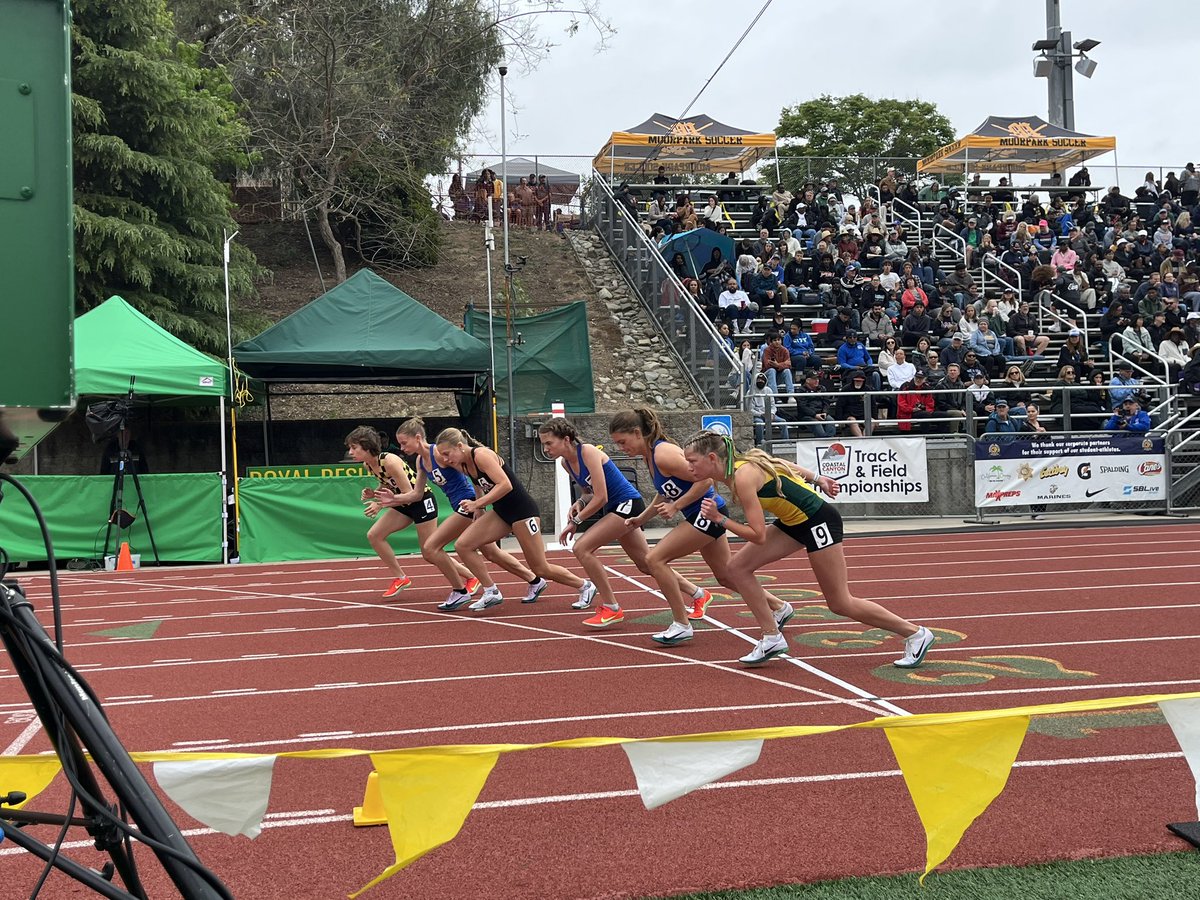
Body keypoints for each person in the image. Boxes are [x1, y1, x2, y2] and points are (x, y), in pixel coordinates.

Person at [684, 431, 935, 667]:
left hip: (819, 521)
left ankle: (915, 633)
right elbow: (780, 463)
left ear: (713, 458)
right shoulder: (745, 465)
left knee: (840, 603)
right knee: (737, 568)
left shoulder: (743, 476)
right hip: (794, 522)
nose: (689, 467)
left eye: (692, 461)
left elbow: (758, 536)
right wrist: (818, 478)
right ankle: (772, 636)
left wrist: (721, 520)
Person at [608, 408, 792, 646]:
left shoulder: (663, 454)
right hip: (705, 513)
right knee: (725, 576)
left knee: (654, 560)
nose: (621, 448)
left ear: (637, 432)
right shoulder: (650, 455)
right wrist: (642, 518)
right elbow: (665, 492)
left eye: (623, 442)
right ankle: (779, 607)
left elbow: (705, 478)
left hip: (706, 513)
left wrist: (677, 506)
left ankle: (681, 624)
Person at [539, 417, 710, 629]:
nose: (545, 449)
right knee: (646, 563)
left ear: (566, 439)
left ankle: (611, 607)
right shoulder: (566, 463)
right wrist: (580, 502)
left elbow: (601, 496)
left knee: (582, 548)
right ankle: (699, 593)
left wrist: (576, 521)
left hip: (628, 503)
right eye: (543, 444)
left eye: (549, 443)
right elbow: (589, 492)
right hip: (616, 508)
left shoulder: (588, 452)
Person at [379, 417, 539, 610]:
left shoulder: (440, 453)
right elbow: (417, 494)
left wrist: (478, 504)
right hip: (463, 506)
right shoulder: (421, 460)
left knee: (431, 548)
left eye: (404, 443)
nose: (402, 448)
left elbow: (471, 472)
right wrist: (393, 500)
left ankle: (463, 591)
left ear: (418, 437)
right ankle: (534, 580)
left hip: (466, 504)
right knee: (491, 552)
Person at [434, 427, 595, 611]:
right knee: (463, 545)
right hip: (502, 512)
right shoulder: (463, 463)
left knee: (540, 568)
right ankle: (491, 591)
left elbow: (505, 485)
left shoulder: (482, 455)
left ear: (460, 446)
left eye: (447, 454)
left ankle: (585, 586)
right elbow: (477, 483)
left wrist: (477, 504)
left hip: (522, 512)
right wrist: (480, 509)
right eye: (442, 456)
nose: (445, 460)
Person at [345, 425, 460, 599]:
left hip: (421, 501)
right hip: (402, 502)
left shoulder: (390, 461)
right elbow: (388, 485)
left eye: (354, 447)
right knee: (374, 535)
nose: (350, 452)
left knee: (430, 552)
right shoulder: (368, 465)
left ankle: (470, 577)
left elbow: (409, 493)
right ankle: (401, 578)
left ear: (367, 447)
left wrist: (380, 505)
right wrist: (374, 494)